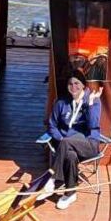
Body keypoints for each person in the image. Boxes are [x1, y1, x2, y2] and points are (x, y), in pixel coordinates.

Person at [45, 71, 103, 210]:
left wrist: (89, 105)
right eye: (70, 83)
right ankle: (70, 194)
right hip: (67, 146)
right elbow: (51, 125)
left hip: (89, 144)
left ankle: (52, 179)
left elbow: (93, 125)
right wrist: (60, 138)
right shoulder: (61, 102)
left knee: (66, 143)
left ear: (83, 85)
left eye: (77, 83)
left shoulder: (93, 100)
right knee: (70, 156)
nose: (73, 86)